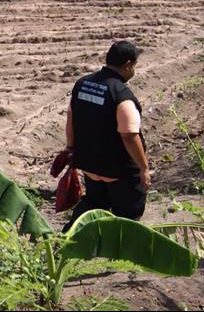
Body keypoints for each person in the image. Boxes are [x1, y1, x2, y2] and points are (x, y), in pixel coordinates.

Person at [62, 41, 151, 232]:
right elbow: (129, 136)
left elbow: (71, 118)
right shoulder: (121, 94)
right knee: (127, 217)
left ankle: (67, 240)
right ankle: (119, 254)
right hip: (118, 171)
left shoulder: (83, 84)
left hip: (89, 164)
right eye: (134, 66)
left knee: (93, 204)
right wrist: (143, 168)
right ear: (128, 64)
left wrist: (70, 147)